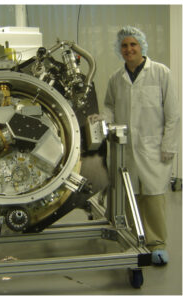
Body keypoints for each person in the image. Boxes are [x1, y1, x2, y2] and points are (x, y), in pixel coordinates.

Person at [89, 26, 180, 265]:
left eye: (133, 45)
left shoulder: (161, 73)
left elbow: (173, 114)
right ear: (119, 49)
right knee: (129, 195)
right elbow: (110, 106)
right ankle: (133, 239)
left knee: (153, 198)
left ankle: (157, 244)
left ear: (141, 47)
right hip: (125, 148)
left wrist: (169, 144)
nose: (129, 49)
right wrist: (103, 119)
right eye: (124, 46)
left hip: (153, 147)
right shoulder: (115, 78)